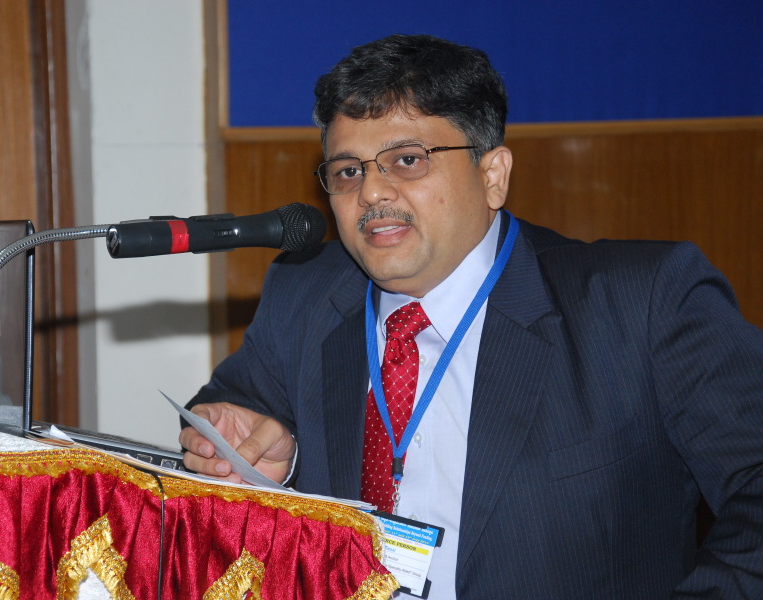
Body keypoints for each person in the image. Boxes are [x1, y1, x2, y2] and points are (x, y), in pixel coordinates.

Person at [179, 34, 763, 598]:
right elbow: (229, 430)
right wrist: (271, 462)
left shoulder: (642, 304)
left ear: (492, 175)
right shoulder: (304, 294)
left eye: (407, 160)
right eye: (348, 170)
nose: (372, 193)